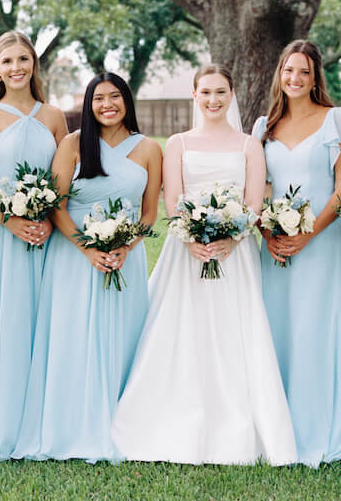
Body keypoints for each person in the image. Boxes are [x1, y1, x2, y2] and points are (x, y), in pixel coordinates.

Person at [111, 65, 297, 465]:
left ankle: (235, 420)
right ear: (195, 95)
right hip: (186, 252)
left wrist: (231, 238)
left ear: (231, 95)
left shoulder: (249, 145)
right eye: (206, 92)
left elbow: (253, 202)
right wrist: (193, 236)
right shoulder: (177, 143)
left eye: (221, 92)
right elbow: (172, 199)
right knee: (181, 328)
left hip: (236, 252)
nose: (213, 100)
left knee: (235, 329)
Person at [14, 73, 162, 462]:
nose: (107, 104)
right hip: (73, 259)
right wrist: (88, 248)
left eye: (115, 96)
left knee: (121, 335)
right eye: (99, 98)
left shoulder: (148, 149)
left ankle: (122, 424)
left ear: (127, 101)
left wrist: (124, 247)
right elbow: (57, 206)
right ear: (88, 104)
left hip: (124, 260)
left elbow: (149, 214)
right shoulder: (73, 144)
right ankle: (70, 426)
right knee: (72, 336)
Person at [252, 40, 341, 467]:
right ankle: (278, 425)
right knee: (279, 326)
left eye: (303, 71)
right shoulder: (264, 125)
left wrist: (308, 235)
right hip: (276, 247)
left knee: (317, 327)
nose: (294, 79)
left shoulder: (335, 119)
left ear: (316, 76)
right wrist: (269, 233)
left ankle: (320, 425)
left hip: (321, 244)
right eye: (288, 70)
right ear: (279, 74)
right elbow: (257, 188)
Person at [0, 31, 68, 461]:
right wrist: (12, 220)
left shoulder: (55, 117)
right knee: (3, 321)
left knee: (43, 320)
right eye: (8, 61)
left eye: (24, 59)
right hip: (1, 236)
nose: (17, 67)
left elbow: (67, 176)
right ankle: (2, 421)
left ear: (34, 65)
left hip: (46, 235)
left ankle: (43, 420)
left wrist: (46, 215)